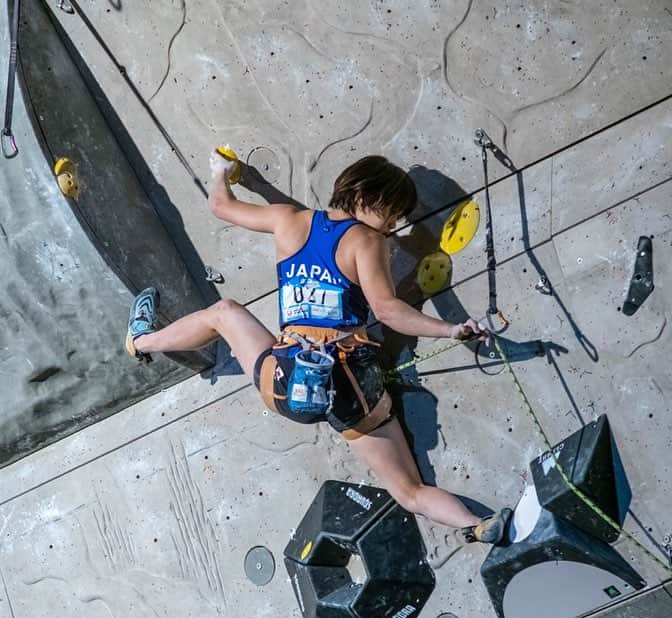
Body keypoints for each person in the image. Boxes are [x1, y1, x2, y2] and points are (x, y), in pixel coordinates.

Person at [125, 152, 511, 544]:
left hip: (288, 383)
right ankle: (474, 524)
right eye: (392, 213)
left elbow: (220, 206)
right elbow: (386, 310)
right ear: (368, 197)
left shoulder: (287, 221)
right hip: (352, 388)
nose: (393, 226)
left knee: (224, 313)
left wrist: (222, 173)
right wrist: (449, 330)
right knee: (409, 491)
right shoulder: (367, 241)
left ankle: (141, 341)